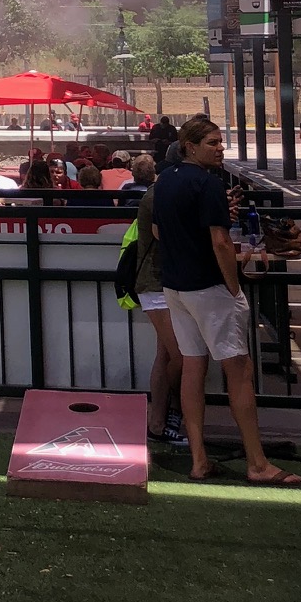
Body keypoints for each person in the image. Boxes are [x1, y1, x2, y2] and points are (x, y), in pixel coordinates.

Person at [153, 115, 301, 487]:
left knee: (193, 365)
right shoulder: (208, 184)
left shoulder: (165, 180)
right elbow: (220, 241)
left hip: (175, 287)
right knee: (239, 370)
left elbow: (156, 230)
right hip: (209, 288)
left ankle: (199, 460)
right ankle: (257, 463)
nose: (220, 149)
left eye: (220, 142)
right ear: (190, 147)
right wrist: (234, 286)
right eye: (213, 143)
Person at [123, 173, 186, 446]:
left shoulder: (159, 192)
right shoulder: (160, 195)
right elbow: (167, 234)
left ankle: (159, 422)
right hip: (156, 284)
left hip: (162, 283)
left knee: (167, 354)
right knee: (182, 356)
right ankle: (168, 414)